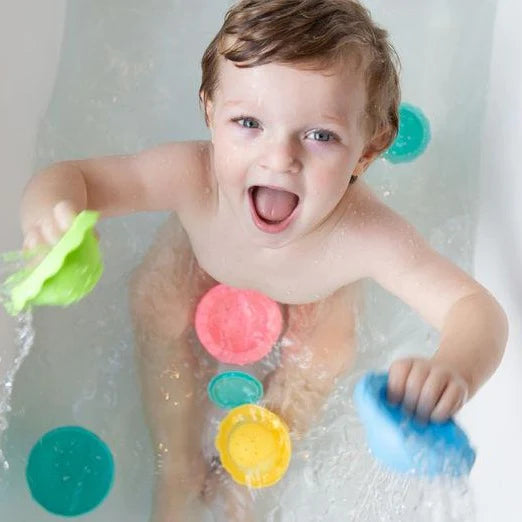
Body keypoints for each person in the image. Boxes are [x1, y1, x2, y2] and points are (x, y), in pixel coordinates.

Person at [18, 0, 508, 519]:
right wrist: (51, 214)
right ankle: (178, 462)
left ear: (368, 150)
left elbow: (474, 309)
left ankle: (248, 472)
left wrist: (453, 368)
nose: (279, 159)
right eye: (249, 122)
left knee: (328, 351)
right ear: (210, 112)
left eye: (320, 135)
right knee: (155, 300)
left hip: (313, 296)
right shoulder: (192, 177)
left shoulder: (364, 233)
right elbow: (74, 178)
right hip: (200, 265)